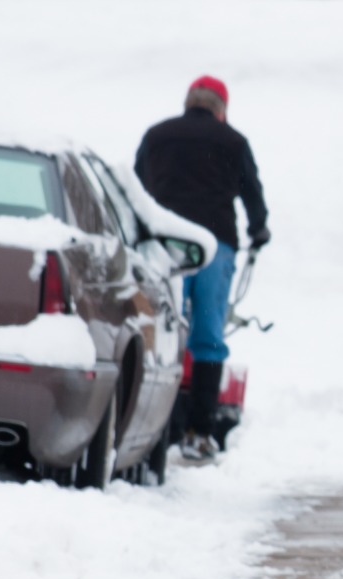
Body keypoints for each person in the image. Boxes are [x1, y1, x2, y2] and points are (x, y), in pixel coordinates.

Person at [135, 75, 270, 462]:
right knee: (208, 333)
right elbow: (252, 193)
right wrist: (258, 228)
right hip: (215, 247)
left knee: (164, 330)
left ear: (188, 103)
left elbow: (136, 188)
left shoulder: (156, 136)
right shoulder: (233, 141)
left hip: (166, 247)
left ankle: (162, 426)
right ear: (221, 109)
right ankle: (200, 431)